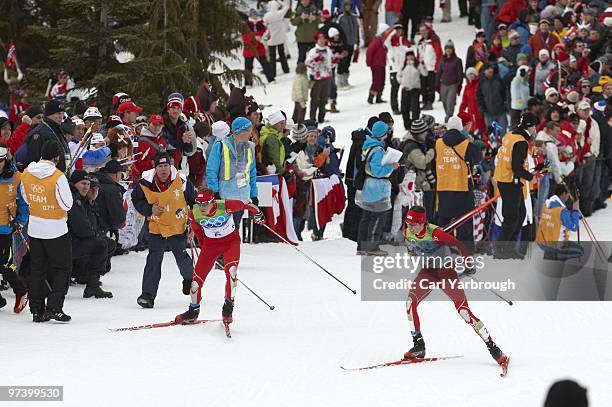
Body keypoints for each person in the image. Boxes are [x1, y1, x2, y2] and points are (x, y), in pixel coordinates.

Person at [401, 206, 509, 373]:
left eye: (413, 224)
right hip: (428, 272)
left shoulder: (436, 233)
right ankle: (418, 345)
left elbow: (459, 245)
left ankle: (494, 348)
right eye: (408, 224)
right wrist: (415, 253)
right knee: (409, 303)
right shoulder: (407, 232)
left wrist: (468, 265)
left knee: (464, 312)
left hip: (445, 272)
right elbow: (411, 248)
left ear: (422, 223)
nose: (410, 228)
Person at [175, 191, 265, 325]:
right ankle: (193, 311)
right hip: (211, 245)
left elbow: (246, 205)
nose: (202, 207)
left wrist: (258, 214)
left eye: (205, 204)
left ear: (212, 202)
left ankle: (228, 308)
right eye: (199, 204)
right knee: (195, 282)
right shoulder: (195, 213)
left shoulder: (225, 205)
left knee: (231, 272)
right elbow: (198, 232)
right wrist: (205, 249)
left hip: (231, 242)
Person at [131, 151, 196, 308]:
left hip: (178, 225)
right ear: (155, 168)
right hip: (157, 226)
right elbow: (136, 199)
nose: (163, 169)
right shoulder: (144, 182)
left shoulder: (182, 180)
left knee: (181, 257)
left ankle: (190, 279)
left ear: (171, 166)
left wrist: (194, 225)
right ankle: (147, 295)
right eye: (160, 166)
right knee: (154, 259)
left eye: (166, 165)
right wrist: (149, 209)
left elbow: (193, 202)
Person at [20, 140, 73, 322]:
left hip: (35, 228)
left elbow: (26, 198)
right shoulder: (58, 176)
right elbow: (67, 204)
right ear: (56, 157)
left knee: (37, 270)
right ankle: (54, 307)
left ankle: (37, 310)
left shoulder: (27, 173)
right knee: (62, 268)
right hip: (56, 229)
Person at [493, 112, 538, 259]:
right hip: (509, 182)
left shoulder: (510, 135)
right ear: (530, 127)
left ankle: (509, 249)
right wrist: (531, 177)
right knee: (511, 218)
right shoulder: (521, 142)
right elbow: (517, 167)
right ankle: (501, 251)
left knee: (520, 215)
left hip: (505, 180)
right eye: (534, 126)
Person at [435, 116, 482, 252]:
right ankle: (465, 250)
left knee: (444, 220)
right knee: (464, 221)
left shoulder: (438, 143)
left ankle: (443, 249)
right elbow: (478, 158)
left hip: (443, 186)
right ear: (461, 128)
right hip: (462, 186)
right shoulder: (466, 144)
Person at [355, 121, 399, 255]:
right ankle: (372, 247)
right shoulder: (378, 149)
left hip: (368, 186)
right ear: (383, 134)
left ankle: (362, 246)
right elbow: (376, 171)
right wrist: (392, 166)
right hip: (377, 186)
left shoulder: (367, 145)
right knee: (378, 216)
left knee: (366, 216)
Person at [67, 170, 113, 298]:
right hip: (66, 242)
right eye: (83, 183)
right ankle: (91, 283)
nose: (86, 187)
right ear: (74, 183)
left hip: (73, 240)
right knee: (100, 245)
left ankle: (90, 281)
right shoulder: (74, 199)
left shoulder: (81, 198)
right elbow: (81, 226)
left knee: (105, 243)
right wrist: (95, 235)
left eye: (88, 184)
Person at [206, 117, 258, 228]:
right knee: (223, 230)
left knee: (235, 230)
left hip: (242, 197)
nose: (250, 134)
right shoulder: (221, 145)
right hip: (224, 197)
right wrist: (215, 192)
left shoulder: (250, 148)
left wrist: (254, 195)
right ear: (241, 131)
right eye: (249, 131)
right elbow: (211, 171)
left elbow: (252, 173)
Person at [0, 144, 28, 313]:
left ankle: (21, 291)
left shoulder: (16, 177)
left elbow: (24, 202)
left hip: (5, 227)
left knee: (4, 265)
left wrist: (21, 221)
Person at [536, 184, 584, 261]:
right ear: (563, 194)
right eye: (568, 194)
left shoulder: (546, 204)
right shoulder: (561, 211)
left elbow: (559, 218)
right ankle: (556, 257)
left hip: (543, 241)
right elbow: (574, 227)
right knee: (580, 251)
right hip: (556, 244)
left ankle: (550, 254)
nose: (568, 197)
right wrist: (575, 211)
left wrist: (572, 214)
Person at [25, 100, 71, 172]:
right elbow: (34, 160)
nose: (61, 117)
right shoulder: (39, 133)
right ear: (49, 114)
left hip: (59, 176)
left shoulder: (57, 130)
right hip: (46, 178)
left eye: (62, 114)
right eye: (58, 113)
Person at [95, 160, 127, 257]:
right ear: (117, 174)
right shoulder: (112, 189)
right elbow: (117, 215)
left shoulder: (94, 182)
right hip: (103, 229)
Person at [305, 32, 337, 123]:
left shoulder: (328, 50)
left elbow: (332, 64)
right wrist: (316, 60)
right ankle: (312, 119)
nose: (322, 41)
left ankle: (321, 118)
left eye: (323, 39)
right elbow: (307, 64)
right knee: (315, 99)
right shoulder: (313, 51)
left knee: (324, 99)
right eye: (320, 39)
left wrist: (335, 60)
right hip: (317, 79)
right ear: (317, 40)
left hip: (327, 78)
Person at [384, 24, 409, 115]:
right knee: (394, 90)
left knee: (406, 90)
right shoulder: (390, 44)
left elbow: (409, 50)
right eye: (397, 30)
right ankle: (395, 108)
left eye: (400, 30)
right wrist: (393, 31)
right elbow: (385, 41)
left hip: (403, 70)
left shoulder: (403, 43)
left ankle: (405, 107)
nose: (399, 32)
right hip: (394, 71)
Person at [436, 40, 463, 123]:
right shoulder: (442, 60)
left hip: (453, 84)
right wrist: (437, 83)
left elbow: (460, 74)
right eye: (447, 48)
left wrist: (459, 85)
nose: (448, 50)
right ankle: (449, 116)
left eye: (450, 48)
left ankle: (448, 118)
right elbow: (439, 72)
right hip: (443, 84)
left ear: (453, 50)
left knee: (450, 102)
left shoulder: (457, 60)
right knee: (444, 101)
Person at [416, 23, 442, 111]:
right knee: (423, 86)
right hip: (422, 68)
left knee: (431, 86)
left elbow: (439, 54)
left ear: (428, 30)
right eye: (421, 31)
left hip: (432, 67)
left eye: (424, 30)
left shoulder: (434, 40)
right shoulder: (420, 42)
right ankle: (424, 101)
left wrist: (437, 66)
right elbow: (419, 55)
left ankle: (429, 102)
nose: (422, 33)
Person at [476, 64, 508, 133]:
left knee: (503, 132)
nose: (489, 72)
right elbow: (479, 97)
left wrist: (505, 104)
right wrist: (482, 108)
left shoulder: (499, 80)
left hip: (501, 111)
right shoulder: (481, 82)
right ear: (484, 71)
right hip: (488, 112)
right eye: (487, 70)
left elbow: (505, 93)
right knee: (490, 134)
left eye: (490, 70)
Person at [335, 0, 360, 89]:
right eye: (346, 6)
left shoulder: (354, 16)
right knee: (342, 61)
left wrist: (357, 41)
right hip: (343, 43)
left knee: (348, 61)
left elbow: (357, 29)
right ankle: (339, 80)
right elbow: (337, 29)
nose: (348, 7)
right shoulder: (340, 17)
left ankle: (345, 79)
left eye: (349, 5)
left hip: (351, 42)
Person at [263, 0, 291, 78]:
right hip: (280, 37)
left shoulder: (266, 15)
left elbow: (264, 25)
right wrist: (279, 1)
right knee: (282, 54)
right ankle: (286, 69)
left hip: (271, 38)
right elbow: (286, 6)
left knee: (272, 56)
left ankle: (273, 72)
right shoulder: (280, 13)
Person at [397, 49, 421, 131]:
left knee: (415, 109)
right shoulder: (403, 65)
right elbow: (398, 76)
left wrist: (422, 65)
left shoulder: (417, 65)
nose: (410, 57)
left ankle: (415, 125)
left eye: (411, 55)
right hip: (405, 89)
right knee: (404, 109)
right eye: (408, 55)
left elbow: (424, 73)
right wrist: (403, 83)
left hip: (415, 90)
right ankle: (407, 125)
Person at [366, 24, 389, 104]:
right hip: (376, 64)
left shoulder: (382, 42)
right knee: (377, 80)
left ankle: (379, 96)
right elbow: (370, 51)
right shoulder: (376, 41)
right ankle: (371, 96)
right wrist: (369, 62)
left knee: (382, 80)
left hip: (381, 64)